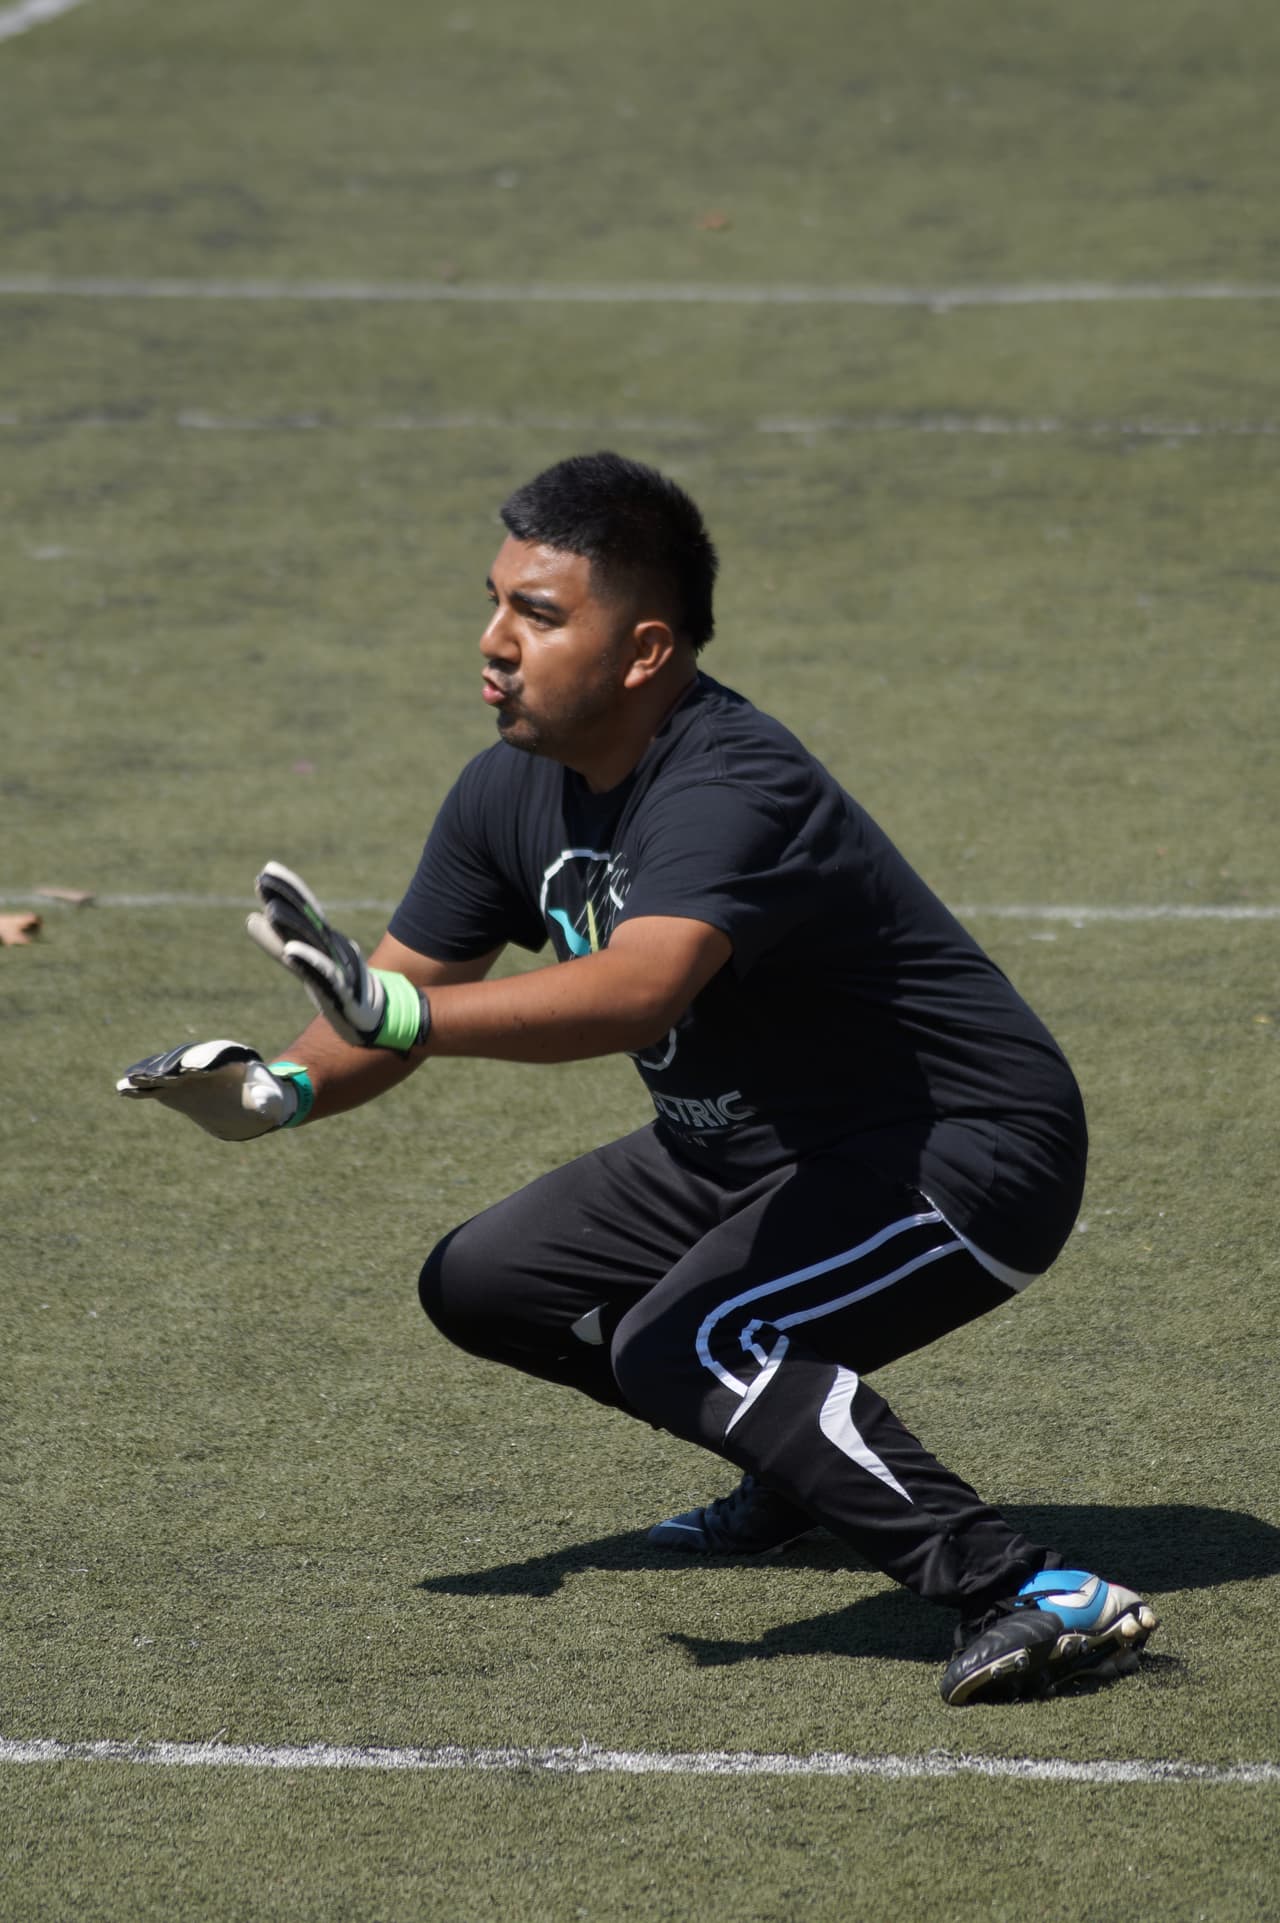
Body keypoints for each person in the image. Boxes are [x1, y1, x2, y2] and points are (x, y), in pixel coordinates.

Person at [118, 450, 1157, 1706]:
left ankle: (1026, 1589)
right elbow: (385, 992)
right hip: (743, 1147)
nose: (494, 641)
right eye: (495, 601)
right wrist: (273, 1093)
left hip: (957, 1153)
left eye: (538, 615)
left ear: (644, 650)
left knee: (686, 1340)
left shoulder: (731, 781)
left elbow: (634, 990)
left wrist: (390, 1012)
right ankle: (797, 1467)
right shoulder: (509, 788)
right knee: (485, 1284)